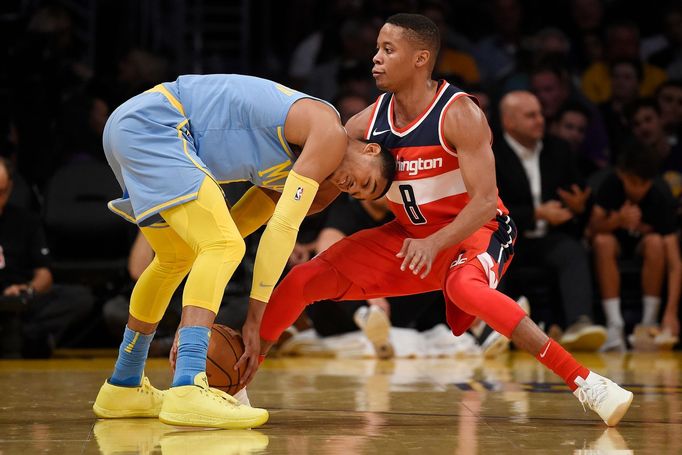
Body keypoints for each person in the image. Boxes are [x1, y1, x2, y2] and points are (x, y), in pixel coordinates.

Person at [245, 14, 634, 427]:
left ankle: (587, 382)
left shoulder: (459, 114)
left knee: (464, 286)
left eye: (387, 50)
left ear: (421, 58)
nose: (375, 59)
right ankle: (238, 380)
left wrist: (435, 243)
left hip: (480, 231)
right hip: (411, 236)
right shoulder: (362, 126)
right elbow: (319, 195)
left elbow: (485, 203)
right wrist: (255, 211)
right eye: (376, 48)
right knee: (302, 281)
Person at [92, 74, 395, 429]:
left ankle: (123, 384)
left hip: (133, 128)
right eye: (366, 181)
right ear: (370, 149)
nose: (353, 188)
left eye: (360, 194)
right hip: (158, 124)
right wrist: (251, 320)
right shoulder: (330, 133)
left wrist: (199, 318)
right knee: (221, 246)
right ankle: (188, 384)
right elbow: (278, 231)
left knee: (178, 258)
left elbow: (241, 227)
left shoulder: (312, 180)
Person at [493, 91, 606, 352]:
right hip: (507, 237)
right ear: (509, 122)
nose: (540, 120)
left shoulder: (559, 149)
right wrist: (536, 214)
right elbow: (487, 208)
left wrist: (580, 205)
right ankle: (494, 330)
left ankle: (579, 322)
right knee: (491, 256)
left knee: (571, 250)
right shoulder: (491, 153)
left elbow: (577, 193)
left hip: (549, 238)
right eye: (531, 115)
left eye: (541, 114)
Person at [590, 142, 681, 351]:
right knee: (602, 241)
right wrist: (617, 221)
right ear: (622, 174)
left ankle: (648, 323)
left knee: (656, 243)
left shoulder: (661, 194)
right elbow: (592, 230)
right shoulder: (611, 183)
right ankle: (614, 325)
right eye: (632, 181)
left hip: (645, 250)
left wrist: (671, 313)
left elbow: (675, 263)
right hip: (616, 246)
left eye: (644, 183)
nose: (638, 189)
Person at [0, 157, 93, 358]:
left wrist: (28, 289)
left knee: (78, 297)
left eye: (1, 192)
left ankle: (24, 333)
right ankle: (25, 338)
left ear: (10, 187)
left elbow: (44, 274)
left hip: (20, 299)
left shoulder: (26, 221)